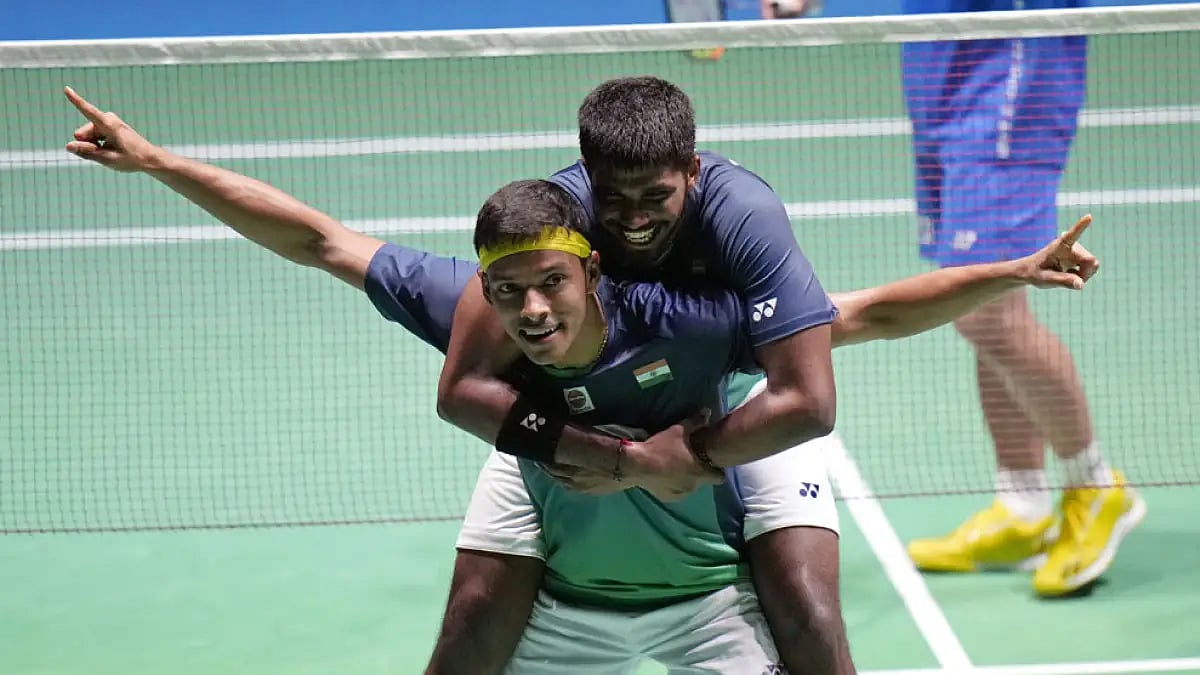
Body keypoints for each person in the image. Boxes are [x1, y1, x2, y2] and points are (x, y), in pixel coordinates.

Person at [59, 85, 1097, 672]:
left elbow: (846, 340)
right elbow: (324, 242)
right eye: (514, 297)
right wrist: (158, 167)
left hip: (725, 420)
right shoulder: (512, 270)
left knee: (814, 621)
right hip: (554, 436)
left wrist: (665, 456)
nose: (635, 213)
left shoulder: (722, 270)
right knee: (469, 624)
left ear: (690, 176)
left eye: (657, 194)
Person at [897, 0, 1144, 597]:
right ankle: (1023, 501)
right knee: (981, 294)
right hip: (938, 54)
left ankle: (1095, 487)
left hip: (1009, 62)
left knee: (989, 317)